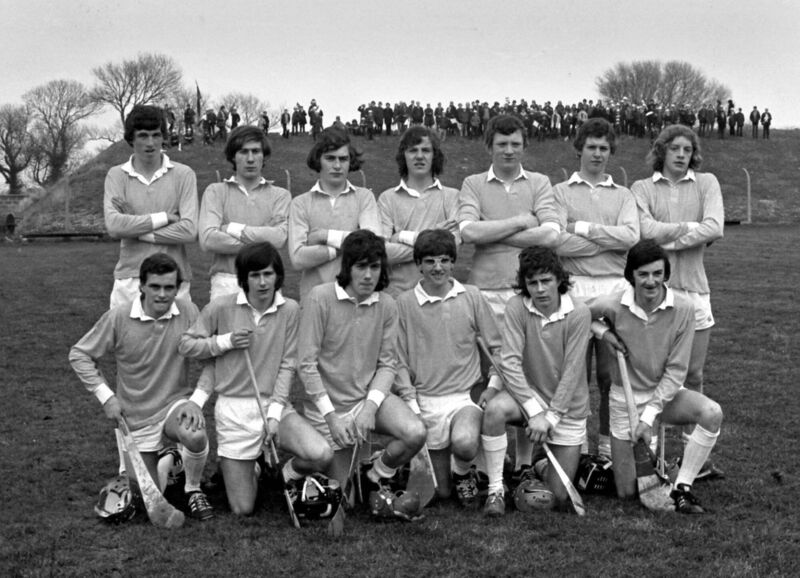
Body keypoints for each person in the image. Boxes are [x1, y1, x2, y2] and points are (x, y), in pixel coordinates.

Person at [179, 243, 333, 515]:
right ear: (244, 278)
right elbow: (186, 345)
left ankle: (285, 474)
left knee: (321, 454)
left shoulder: (290, 310)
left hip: (274, 404)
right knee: (242, 508)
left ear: (278, 276)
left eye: (268, 274)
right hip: (233, 408)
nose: (262, 282)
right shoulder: (221, 306)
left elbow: (287, 365)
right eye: (255, 275)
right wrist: (225, 341)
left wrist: (274, 416)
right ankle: (254, 466)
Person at [69, 254, 214, 521]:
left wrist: (196, 400)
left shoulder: (189, 312)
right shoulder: (119, 317)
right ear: (142, 286)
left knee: (194, 434)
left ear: (177, 288)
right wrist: (107, 397)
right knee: (146, 501)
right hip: (135, 417)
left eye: (169, 287)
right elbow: (80, 354)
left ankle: (193, 488)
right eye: (155, 286)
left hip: (174, 405)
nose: (162, 294)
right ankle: (171, 460)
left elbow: (212, 361)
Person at [297, 229, 427, 521]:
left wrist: (369, 408)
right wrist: (331, 417)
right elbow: (305, 365)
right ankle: (303, 473)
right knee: (346, 501)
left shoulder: (388, 305)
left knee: (415, 432)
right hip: (329, 408)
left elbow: (388, 364)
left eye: (375, 267)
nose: (368, 275)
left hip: (367, 400)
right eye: (361, 266)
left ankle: (375, 474)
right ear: (347, 267)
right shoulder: (319, 298)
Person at [458, 113, 561, 477]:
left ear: (524, 146)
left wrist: (493, 232)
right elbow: (468, 232)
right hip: (484, 290)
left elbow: (551, 234)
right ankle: (483, 461)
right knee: (485, 375)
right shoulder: (473, 183)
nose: (508, 150)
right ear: (489, 145)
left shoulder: (539, 182)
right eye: (501, 143)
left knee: (523, 373)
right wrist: (520, 221)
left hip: (526, 290)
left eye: (515, 144)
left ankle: (522, 463)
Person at [588, 240, 723, 514]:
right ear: (631, 275)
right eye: (643, 274)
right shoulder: (612, 304)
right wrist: (604, 333)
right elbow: (577, 315)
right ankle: (648, 469)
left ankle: (682, 487)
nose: (651, 281)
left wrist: (649, 417)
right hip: (624, 398)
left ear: (665, 275)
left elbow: (676, 371)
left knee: (712, 413)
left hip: (666, 396)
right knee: (627, 492)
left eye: (657, 274)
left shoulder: (684, 308)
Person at [631, 125, 724, 478]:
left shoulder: (707, 183)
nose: (682, 155)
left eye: (687, 149)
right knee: (655, 374)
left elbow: (714, 227)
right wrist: (689, 229)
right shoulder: (642, 188)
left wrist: (665, 238)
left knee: (693, 373)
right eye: (675, 148)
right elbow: (644, 232)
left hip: (695, 290)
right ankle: (651, 452)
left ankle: (692, 456)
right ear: (662, 151)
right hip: (656, 292)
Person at [394, 229, 502, 508]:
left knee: (464, 443)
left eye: (444, 260)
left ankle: (464, 471)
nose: (438, 267)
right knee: (441, 493)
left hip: (464, 398)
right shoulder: (404, 303)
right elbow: (397, 360)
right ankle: (438, 471)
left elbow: (497, 348)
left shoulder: (472, 296)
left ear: (453, 263)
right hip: (425, 401)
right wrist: (411, 403)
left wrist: (492, 387)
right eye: (429, 261)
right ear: (418, 265)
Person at [480, 247, 591, 517]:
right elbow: (510, 362)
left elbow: (572, 372)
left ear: (559, 279)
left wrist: (550, 418)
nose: (540, 289)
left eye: (546, 281)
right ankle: (496, 490)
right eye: (532, 283)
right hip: (531, 396)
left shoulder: (579, 312)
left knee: (557, 496)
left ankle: (539, 464)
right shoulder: (516, 306)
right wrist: (534, 412)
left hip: (568, 407)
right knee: (495, 410)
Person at [553, 118, 639, 457]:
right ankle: (574, 446)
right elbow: (558, 242)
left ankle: (606, 449)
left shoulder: (624, 195)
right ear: (579, 149)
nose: (598, 154)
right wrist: (607, 243)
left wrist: (582, 228)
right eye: (591, 147)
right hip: (573, 291)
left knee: (608, 375)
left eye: (604, 148)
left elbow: (630, 237)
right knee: (573, 376)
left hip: (614, 291)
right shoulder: (560, 192)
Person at [103, 105, 198, 309]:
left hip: (174, 278)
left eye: (156, 135)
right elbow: (114, 226)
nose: (150, 143)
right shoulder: (116, 175)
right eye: (143, 136)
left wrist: (136, 227)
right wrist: (165, 218)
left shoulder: (184, 174)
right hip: (130, 278)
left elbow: (189, 230)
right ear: (131, 139)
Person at [288, 127, 381, 301]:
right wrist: (344, 247)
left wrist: (323, 236)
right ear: (318, 159)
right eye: (330, 158)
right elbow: (298, 259)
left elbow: (372, 246)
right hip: (313, 300)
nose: (337, 166)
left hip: (356, 299)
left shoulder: (364, 197)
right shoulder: (300, 203)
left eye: (343, 159)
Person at [199, 126, 290, 301]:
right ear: (233, 156)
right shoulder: (215, 191)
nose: (250, 159)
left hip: (267, 281)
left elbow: (279, 239)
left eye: (255, 151)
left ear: (264, 155)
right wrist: (264, 241)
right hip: (226, 282)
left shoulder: (280, 195)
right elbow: (208, 240)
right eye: (243, 152)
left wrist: (229, 229)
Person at [377, 127, 460, 297]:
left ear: (435, 155)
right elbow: (381, 253)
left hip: (440, 296)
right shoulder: (387, 198)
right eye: (413, 150)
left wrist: (400, 236)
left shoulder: (452, 197)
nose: (419, 156)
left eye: (426, 150)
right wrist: (432, 237)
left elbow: (453, 247)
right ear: (403, 156)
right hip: (397, 296)